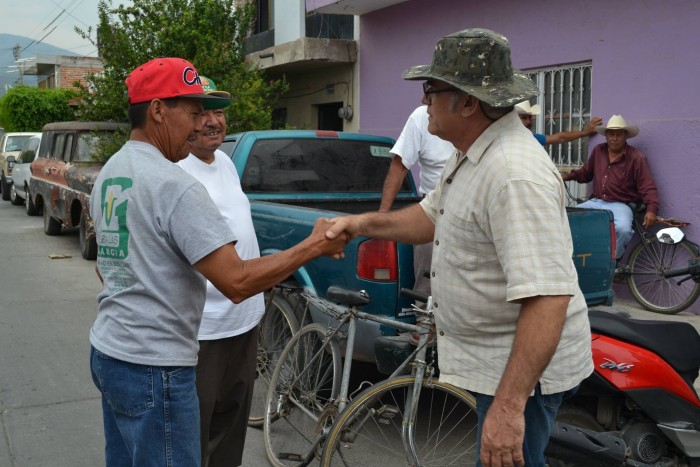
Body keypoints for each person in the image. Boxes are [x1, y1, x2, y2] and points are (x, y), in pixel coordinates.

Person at [326, 29, 593, 467]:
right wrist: (362, 223)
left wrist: (508, 409)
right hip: (497, 367)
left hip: (521, 379)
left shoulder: (513, 173)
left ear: (468, 102)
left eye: (431, 89)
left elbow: (548, 298)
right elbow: (431, 216)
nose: (424, 101)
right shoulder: (472, 151)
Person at [88, 57, 346, 467]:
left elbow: (107, 264)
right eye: (192, 112)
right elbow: (237, 281)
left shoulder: (113, 171)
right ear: (157, 110)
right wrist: (312, 246)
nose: (198, 124)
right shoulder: (174, 184)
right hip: (157, 366)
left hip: (112, 351)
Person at [175, 76, 259, 467]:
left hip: (243, 321)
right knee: (194, 431)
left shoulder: (225, 162)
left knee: (232, 426)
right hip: (203, 329)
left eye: (219, 112)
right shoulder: (176, 172)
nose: (213, 121)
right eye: (203, 112)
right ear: (185, 119)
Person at [379, 105, 454, 297]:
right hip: (433, 208)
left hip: (472, 207)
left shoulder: (479, 117)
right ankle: (424, 324)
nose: (425, 99)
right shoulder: (421, 116)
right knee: (426, 284)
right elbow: (400, 166)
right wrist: (381, 218)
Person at [562, 114, 658, 259]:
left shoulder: (636, 157)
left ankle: (613, 262)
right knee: (566, 219)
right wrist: (566, 176)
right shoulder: (598, 151)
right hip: (596, 201)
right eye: (611, 134)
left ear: (625, 136)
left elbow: (647, 186)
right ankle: (578, 259)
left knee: (624, 229)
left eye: (618, 134)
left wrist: (652, 209)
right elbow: (586, 173)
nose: (614, 138)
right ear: (606, 136)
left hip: (620, 204)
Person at [516, 100, 603, 145]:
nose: (528, 121)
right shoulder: (504, 139)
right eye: (523, 118)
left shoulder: (532, 138)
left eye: (530, 117)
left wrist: (585, 132)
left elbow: (560, 137)